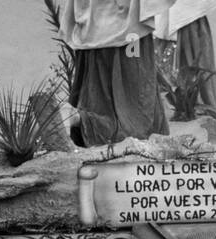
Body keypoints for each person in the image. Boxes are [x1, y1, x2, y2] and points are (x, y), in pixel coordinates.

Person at [63, 0, 174, 147]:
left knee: (108, 101)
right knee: (136, 111)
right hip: (128, 32)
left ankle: (76, 119)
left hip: (101, 28)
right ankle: (76, 118)